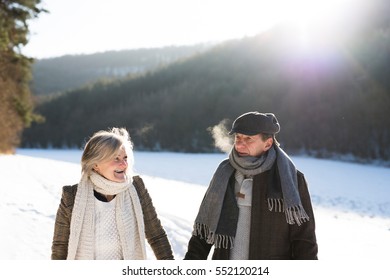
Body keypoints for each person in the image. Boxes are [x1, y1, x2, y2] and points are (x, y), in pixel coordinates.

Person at [184, 112, 318, 260]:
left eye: (248, 139)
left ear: (267, 144)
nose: (240, 144)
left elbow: (304, 240)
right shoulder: (224, 174)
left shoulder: (291, 179)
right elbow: (203, 232)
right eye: (238, 137)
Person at [51, 127, 174, 260]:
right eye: (116, 158)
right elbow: (60, 246)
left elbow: (156, 236)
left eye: (125, 157)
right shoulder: (72, 197)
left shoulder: (137, 189)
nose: (124, 164)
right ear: (95, 165)